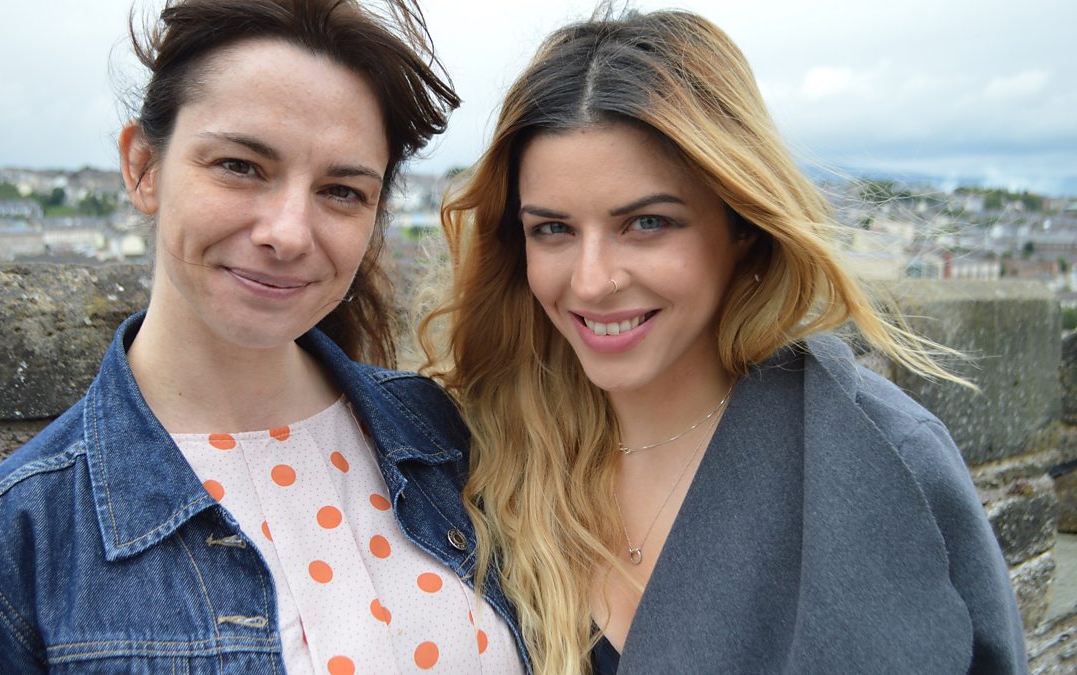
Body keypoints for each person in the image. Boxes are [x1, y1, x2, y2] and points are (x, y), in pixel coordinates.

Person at [0, 1, 528, 672]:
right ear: (143, 167)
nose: (288, 233)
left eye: (341, 191)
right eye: (240, 166)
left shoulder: (447, 438)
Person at [422, 7, 1027, 674]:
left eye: (647, 223)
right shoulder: (489, 454)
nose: (591, 282)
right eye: (553, 230)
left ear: (742, 227)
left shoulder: (883, 458)